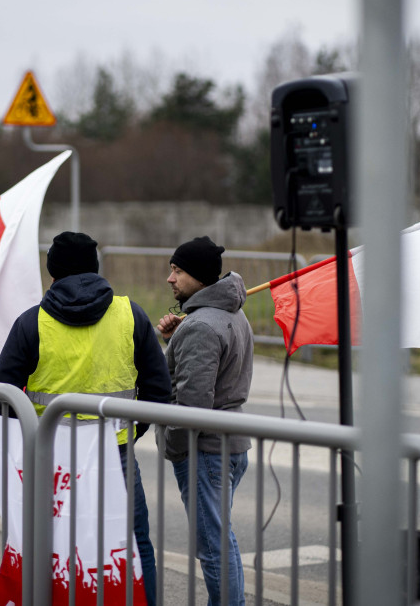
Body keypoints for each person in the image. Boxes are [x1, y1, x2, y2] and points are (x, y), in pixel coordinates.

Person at [0, 231, 172, 606]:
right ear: (94, 267)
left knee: (50, 546)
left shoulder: (32, 322)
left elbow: (0, 396)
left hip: (49, 460)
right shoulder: (131, 314)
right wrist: (127, 433)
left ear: (52, 271)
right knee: (133, 545)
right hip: (116, 455)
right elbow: (158, 391)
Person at [156, 236, 253, 606]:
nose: (170, 279)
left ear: (198, 276)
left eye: (177, 271)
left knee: (214, 547)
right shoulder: (229, 313)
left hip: (205, 450)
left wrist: (176, 450)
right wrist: (175, 339)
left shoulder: (200, 326)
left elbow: (191, 405)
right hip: (229, 443)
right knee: (220, 540)